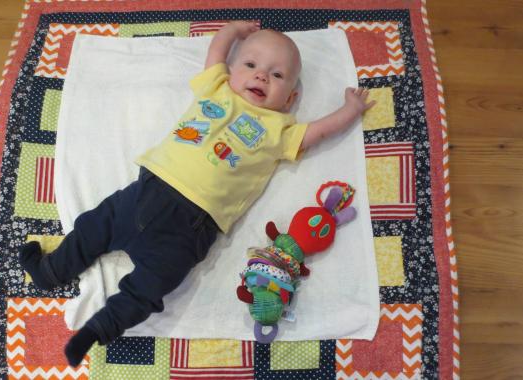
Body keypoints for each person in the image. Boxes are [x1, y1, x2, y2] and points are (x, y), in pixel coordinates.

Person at [19, 21, 375, 367]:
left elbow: (320, 131)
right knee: (93, 227)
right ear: (232, 71)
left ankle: (98, 329)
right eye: (251, 65)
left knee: (151, 286)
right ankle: (49, 271)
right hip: (147, 191)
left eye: (277, 75)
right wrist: (231, 31)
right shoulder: (216, 88)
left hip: (193, 225)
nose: (261, 76)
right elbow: (217, 55)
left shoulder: (281, 129)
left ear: (290, 98)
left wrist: (350, 110)